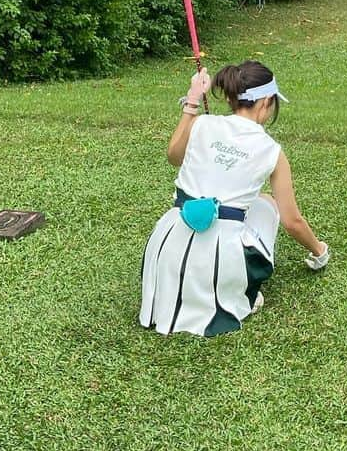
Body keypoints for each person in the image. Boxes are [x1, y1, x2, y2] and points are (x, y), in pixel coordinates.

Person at [140, 60, 329, 336]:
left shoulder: (202, 123)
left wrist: (192, 100)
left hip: (165, 248)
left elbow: (173, 157)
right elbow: (292, 221)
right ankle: (239, 292)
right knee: (268, 206)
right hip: (220, 260)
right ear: (266, 101)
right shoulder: (271, 150)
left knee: (254, 202)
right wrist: (319, 250)